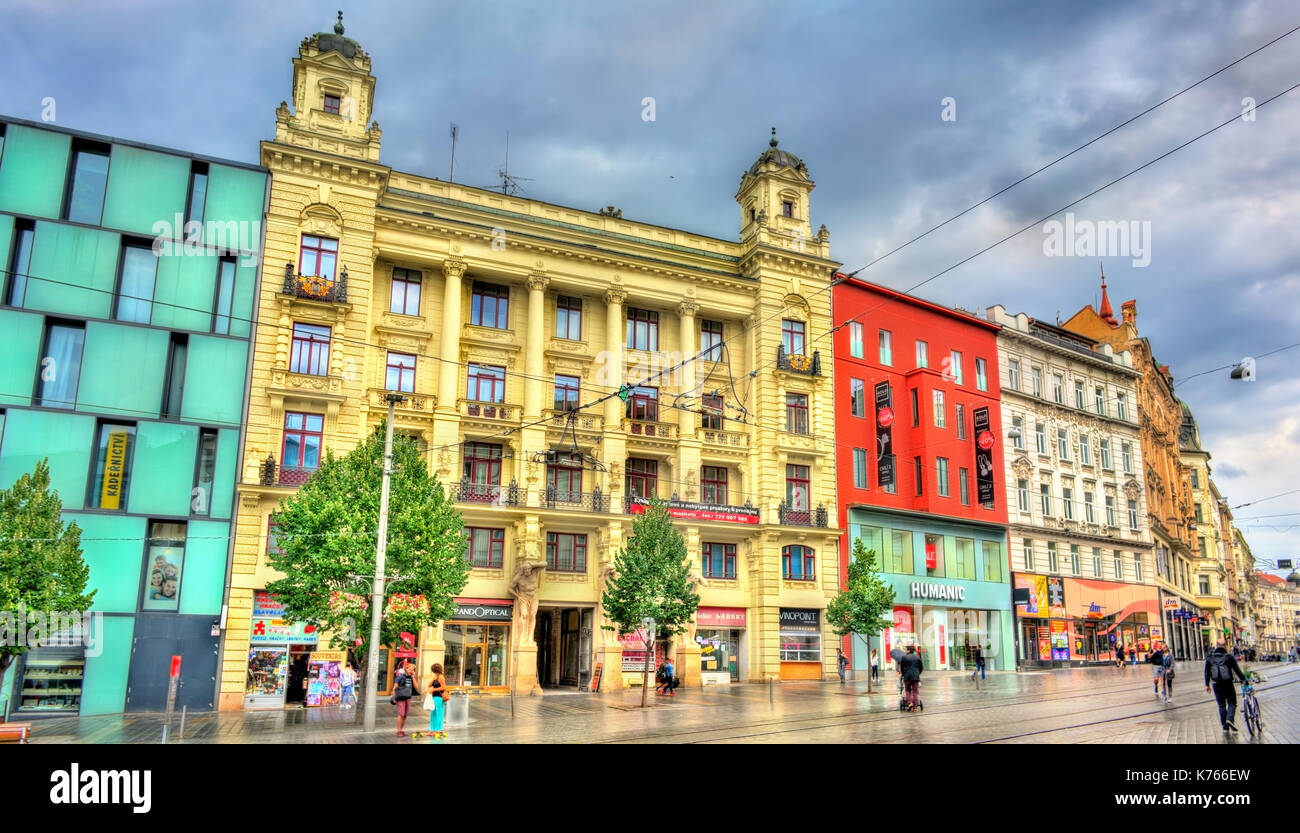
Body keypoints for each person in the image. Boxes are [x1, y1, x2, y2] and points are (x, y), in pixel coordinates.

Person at [1204, 638, 1248, 732]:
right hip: (1228, 683)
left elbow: (1207, 671)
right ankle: (1230, 719)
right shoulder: (1229, 657)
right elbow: (1237, 670)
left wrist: (1207, 684)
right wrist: (1244, 680)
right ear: (1225, 645)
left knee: (1221, 705)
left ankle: (1225, 726)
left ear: (1216, 645)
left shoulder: (1210, 657)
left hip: (1216, 684)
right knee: (1232, 702)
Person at [390, 663, 418, 736]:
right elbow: (395, 687)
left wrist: (413, 677)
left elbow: (416, 687)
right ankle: (399, 731)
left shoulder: (412, 678)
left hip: (408, 697)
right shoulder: (400, 677)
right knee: (401, 714)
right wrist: (394, 697)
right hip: (401, 698)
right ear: (406, 669)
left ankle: (401, 730)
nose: (411, 671)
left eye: (413, 669)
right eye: (410, 669)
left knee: (405, 715)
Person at [423, 662, 448, 739]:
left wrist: (433, 690)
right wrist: (433, 678)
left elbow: (443, 687)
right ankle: (432, 730)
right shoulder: (436, 677)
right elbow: (429, 685)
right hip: (434, 697)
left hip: (439, 697)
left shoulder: (441, 677)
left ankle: (438, 730)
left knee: (439, 714)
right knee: (433, 714)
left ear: (434, 670)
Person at [898, 644, 923, 711]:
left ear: (908, 650)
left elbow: (902, 667)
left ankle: (910, 702)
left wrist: (904, 674)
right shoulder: (917, 657)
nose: (905, 651)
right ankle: (915, 707)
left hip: (907, 676)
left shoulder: (904, 657)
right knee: (915, 691)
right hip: (916, 677)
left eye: (906, 649)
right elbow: (921, 668)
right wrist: (918, 673)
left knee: (907, 690)